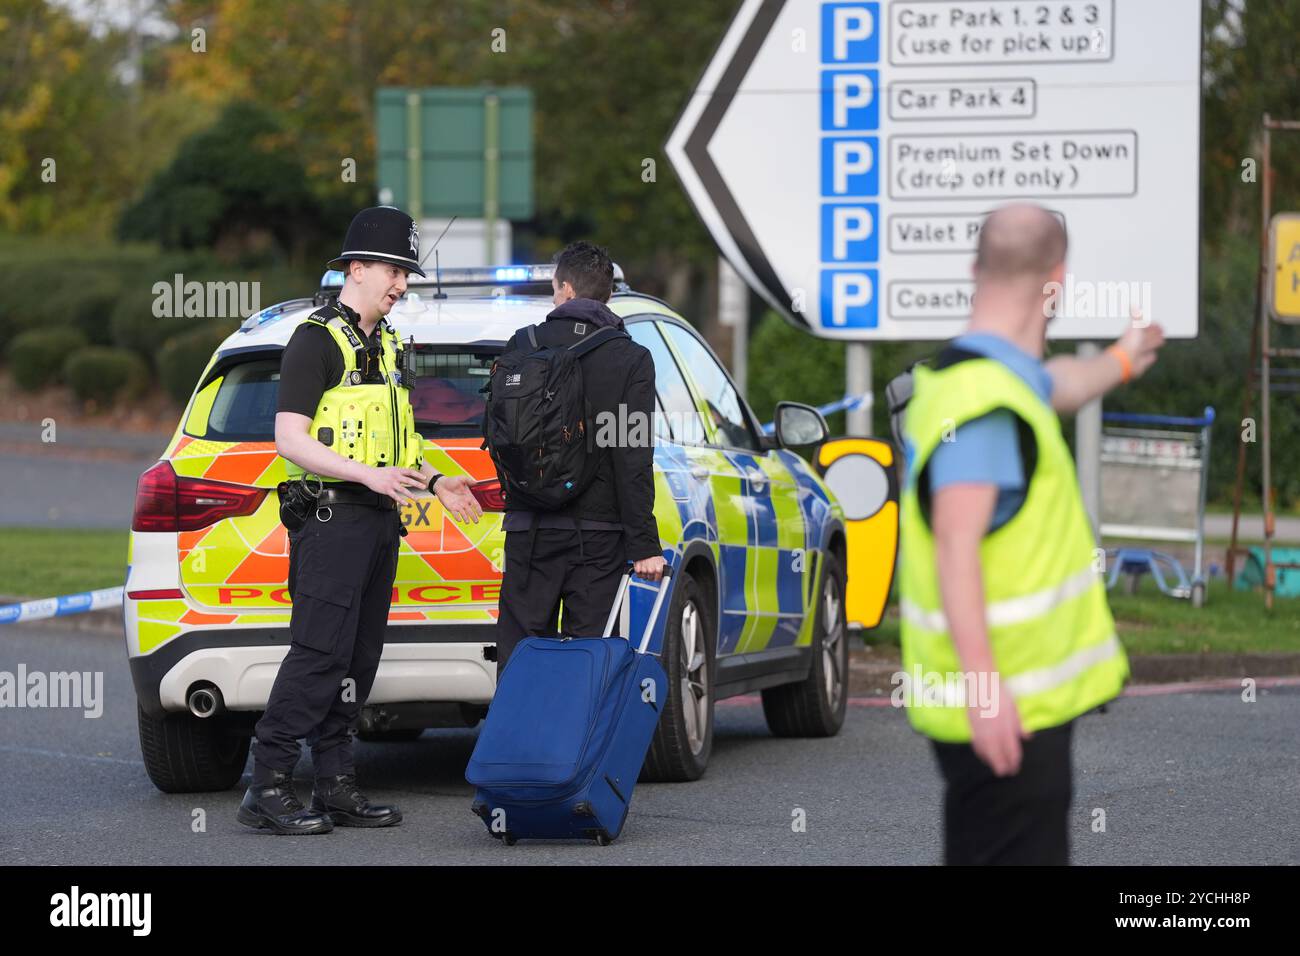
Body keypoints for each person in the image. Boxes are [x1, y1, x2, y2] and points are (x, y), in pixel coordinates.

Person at [898, 202, 1165, 864]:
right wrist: (987, 693)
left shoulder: (981, 380)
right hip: (1006, 712)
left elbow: (1058, 384)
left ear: (975, 269)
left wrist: (1124, 361)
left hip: (1012, 708)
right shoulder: (987, 408)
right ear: (1057, 280)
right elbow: (959, 548)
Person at [237, 206, 483, 835]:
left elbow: (400, 445)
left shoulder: (392, 344)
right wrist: (364, 475)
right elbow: (289, 438)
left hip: (379, 520)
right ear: (356, 268)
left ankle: (336, 784)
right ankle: (266, 784)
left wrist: (434, 480)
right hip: (330, 517)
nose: (402, 284)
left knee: (358, 659)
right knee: (318, 654)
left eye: (407, 272)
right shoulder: (314, 340)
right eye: (394, 270)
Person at [493, 241, 665, 676]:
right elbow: (632, 452)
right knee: (589, 658)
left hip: (529, 529)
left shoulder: (522, 345)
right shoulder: (630, 359)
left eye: (554, 288)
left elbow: (502, 435)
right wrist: (643, 544)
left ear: (566, 289)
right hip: (598, 535)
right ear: (607, 295)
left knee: (521, 653)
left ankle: (515, 739)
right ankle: (579, 744)